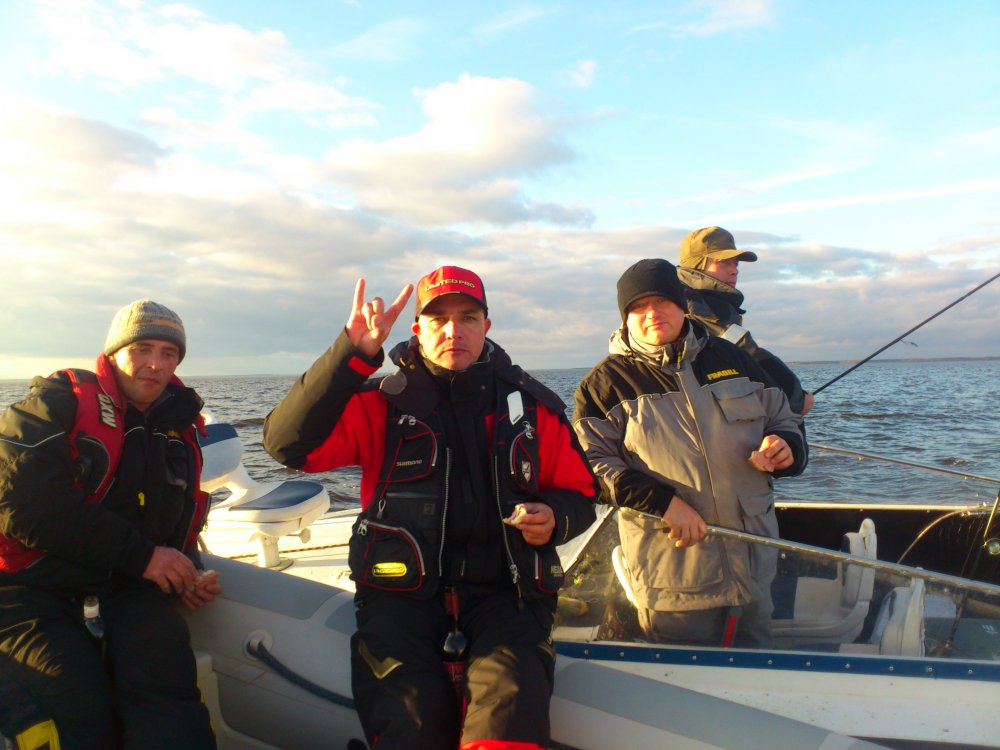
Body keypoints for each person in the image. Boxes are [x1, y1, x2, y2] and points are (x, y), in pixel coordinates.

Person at [263, 266, 597, 750]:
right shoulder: (379, 404)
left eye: (468, 317)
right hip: (398, 601)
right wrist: (350, 355)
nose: (453, 330)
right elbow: (286, 445)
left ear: (486, 326)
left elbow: (581, 493)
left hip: (507, 597)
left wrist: (554, 517)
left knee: (507, 728)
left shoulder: (534, 409)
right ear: (418, 329)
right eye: (438, 319)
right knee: (410, 729)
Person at [0, 300, 221, 750]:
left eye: (169, 353)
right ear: (114, 352)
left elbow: (173, 522)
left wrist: (187, 570)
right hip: (28, 588)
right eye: (142, 348)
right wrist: (145, 557)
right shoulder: (56, 402)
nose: (155, 364)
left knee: (170, 690)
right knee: (72, 702)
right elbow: (19, 500)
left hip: (123, 586)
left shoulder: (178, 426)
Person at [572, 259, 807, 647]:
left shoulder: (733, 359)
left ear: (682, 305)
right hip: (675, 581)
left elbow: (785, 418)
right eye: (638, 306)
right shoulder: (604, 385)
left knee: (760, 674)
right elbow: (589, 466)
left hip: (754, 570)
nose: (651, 313)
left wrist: (786, 446)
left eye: (661, 301)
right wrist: (664, 504)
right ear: (625, 317)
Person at [678, 226, 814, 416]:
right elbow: (748, 352)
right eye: (724, 263)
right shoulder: (696, 307)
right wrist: (795, 398)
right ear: (696, 265)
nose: (734, 271)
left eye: (735, 264)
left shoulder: (710, 304)